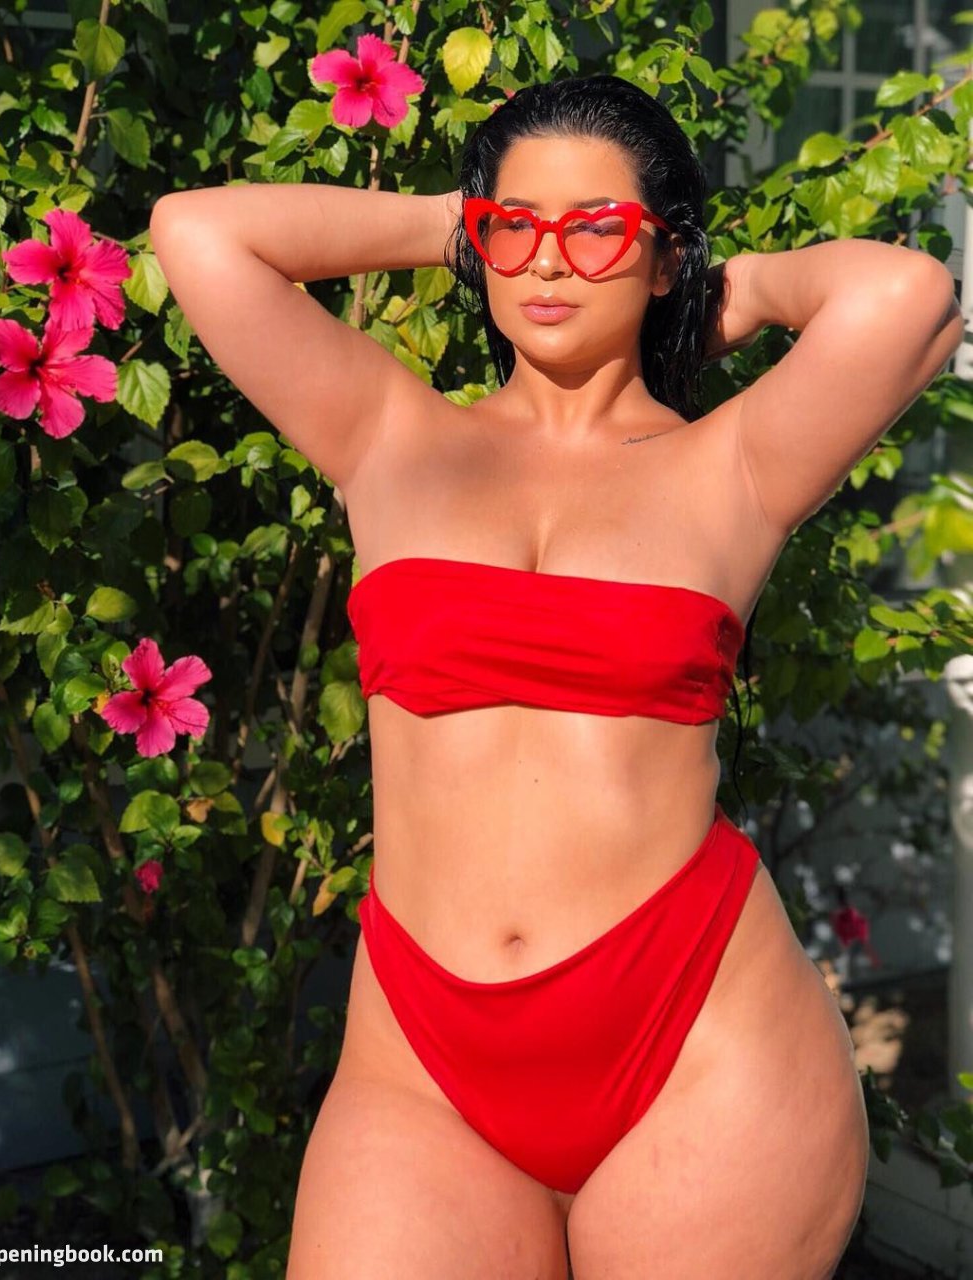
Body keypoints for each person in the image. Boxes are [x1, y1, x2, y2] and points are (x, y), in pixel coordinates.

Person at [149, 73, 963, 1280]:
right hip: (421, 1056)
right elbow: (198, 233)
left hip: (696, 1031)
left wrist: (724, 289)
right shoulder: (388, 433)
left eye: (595, 229)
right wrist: (455, 222)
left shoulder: (736, 463)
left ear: (663, 254)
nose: (546, 262)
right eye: (514, 227)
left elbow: (908, 297)